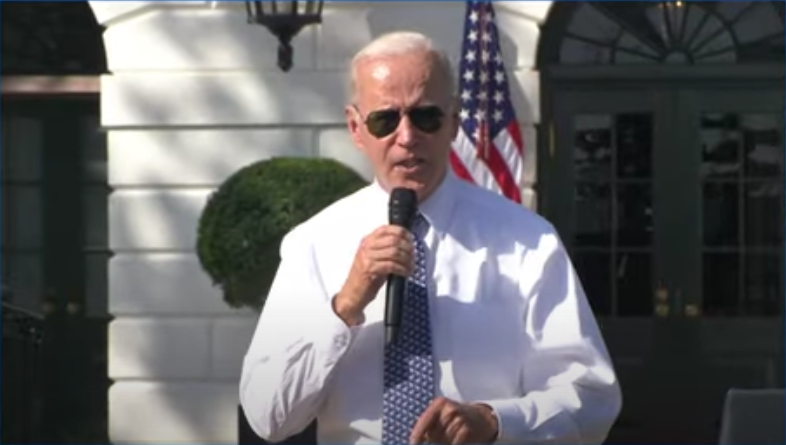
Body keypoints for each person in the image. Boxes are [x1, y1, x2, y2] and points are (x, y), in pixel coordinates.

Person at [239, 31, 622, 445]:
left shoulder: (528, 241)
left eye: (426, 117)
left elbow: (591, 398)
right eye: (385, 120)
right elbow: (268, 418)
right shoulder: (315, 243)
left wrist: (494, 422)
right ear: (356, 127)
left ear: (454, 121)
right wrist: (346, 304)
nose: (407, 137)